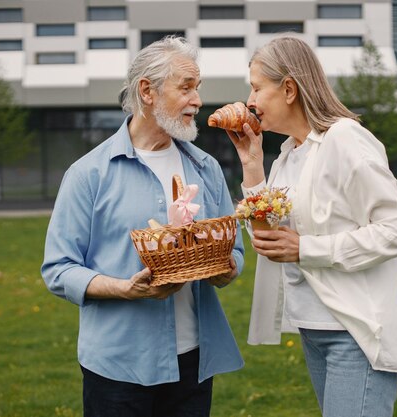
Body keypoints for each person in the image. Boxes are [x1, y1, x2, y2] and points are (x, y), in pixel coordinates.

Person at [41, 36, 244, 417]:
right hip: (118, 367)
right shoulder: (89, 174)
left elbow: (233, 251)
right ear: (147, 92)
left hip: (193, 361)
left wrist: (224, 268)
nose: (197, 100)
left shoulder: (207, 169)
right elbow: (58, 269)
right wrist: (124, 289)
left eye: (197, 88)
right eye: (186, 87)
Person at [225, 36, 397, 417]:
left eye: (258, 87)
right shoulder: (287, 156)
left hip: (357, 333)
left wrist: (308, 249)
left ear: (290, 89)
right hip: (315, 330)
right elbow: (268, 239)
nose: (250, 100)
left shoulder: (345, 140)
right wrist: (252, 165)